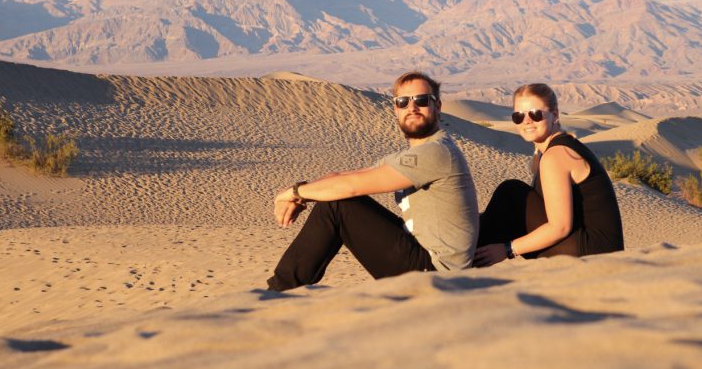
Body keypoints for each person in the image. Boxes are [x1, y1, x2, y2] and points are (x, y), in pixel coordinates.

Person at [267, 71, 479, 290]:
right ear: (396, 109)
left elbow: (350, 188)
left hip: (436, 274)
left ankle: (276, 293)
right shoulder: (414, 156)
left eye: (422, 100)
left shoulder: (436, 153)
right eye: (403, 102)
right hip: (421, 257)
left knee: (337, 204)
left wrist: (294, 193)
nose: (412, 107)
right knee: (336, 198)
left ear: (438, 106)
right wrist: (301, 193)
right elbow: (342, 178)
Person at [473, 83, 623, 267]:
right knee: (505, 203)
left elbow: (560, 227)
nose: (527, 121)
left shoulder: (556, 155)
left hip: (592, 255)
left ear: (555, 114)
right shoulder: (548, 152)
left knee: (511, 194)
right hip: (591, 249)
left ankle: (456, 261)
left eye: (535, 114)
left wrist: (507, 249)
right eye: (518, 116)